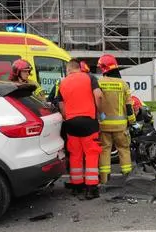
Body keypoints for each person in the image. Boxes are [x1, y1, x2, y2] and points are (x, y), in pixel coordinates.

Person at [57, 59, 102, 199]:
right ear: (79, 68)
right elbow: (99, 95)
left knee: (75, 154)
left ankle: (77, 186)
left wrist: (67, 117)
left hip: (71, 123)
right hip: (89, 121)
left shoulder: (63, 82)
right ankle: (91, 188)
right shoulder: (89, 78)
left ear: (68, 69)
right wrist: (98, 113)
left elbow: (61, 104)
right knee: (91, 153)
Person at [97, 54, 138, 185]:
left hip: (103, 125)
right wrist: (132, 121)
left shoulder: (99, 83)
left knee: (104, 151)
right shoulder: (123, 84)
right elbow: (129, 106)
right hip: (120, 126)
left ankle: (104, 180)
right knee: (124, 150)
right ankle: (127, 178)